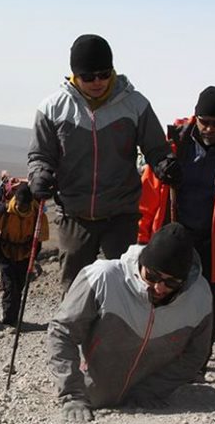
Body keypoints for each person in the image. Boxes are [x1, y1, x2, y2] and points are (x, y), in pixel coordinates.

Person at [28, 34, 180, 296]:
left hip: (121, 213)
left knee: (125, 287)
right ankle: (73, 336)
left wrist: (165, 164)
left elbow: (156, 148)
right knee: (74, 290)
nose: (98, 81)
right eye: (89, 76)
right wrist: (39, 175)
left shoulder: (135, 104)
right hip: (74, 214)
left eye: (104, 74)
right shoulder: (52, 109)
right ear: (74, 75)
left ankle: (120, 337)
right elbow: (40, 155)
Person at [138, 85, 215, 379]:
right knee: (161, 301)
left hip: (213, 246)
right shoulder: (173, 146)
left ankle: (195, 369)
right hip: (172, 240)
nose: (209, 129)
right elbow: (149, 194)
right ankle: (153, 363)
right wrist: (143, 240)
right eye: (204, 121)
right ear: (195, 117)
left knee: (209, 311)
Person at [48, 223, 213, 422]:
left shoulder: (199, 297)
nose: (159, 288)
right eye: (152, 276)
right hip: (89, 390)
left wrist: (153, 389)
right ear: (142, 263)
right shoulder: (103, 277)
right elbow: (62, 332)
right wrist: (72, 395)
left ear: (184, 280)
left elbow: (195, 354)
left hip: (148, 399)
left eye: (171, 283)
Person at [0, 185, 49, 330]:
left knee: (19, 286)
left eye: (24, 206)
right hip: (6, 254)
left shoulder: (35, 213)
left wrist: (31, 259)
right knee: (10, 287)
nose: (22, 209)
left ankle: (14, 319)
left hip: (24, 255)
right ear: (15, 201)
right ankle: (9, 321)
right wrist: (2, 260)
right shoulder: (3, 211)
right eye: (20, 206)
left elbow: (38, 240)